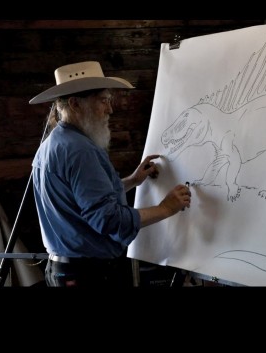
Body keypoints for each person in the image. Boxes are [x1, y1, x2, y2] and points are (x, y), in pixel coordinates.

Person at [29, 61, 191, 287]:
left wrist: (133, 181)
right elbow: (109, 220)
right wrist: (166, 208)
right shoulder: (80, 150)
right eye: (103, 101)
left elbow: (83, 199)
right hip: (88, 274)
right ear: (75, 104)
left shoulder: (55, 143)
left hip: (67, 270)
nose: (110, 109)